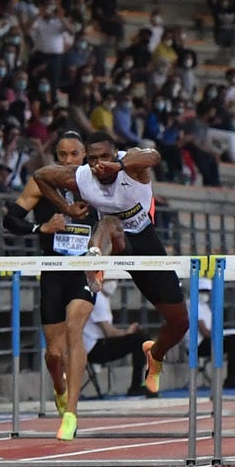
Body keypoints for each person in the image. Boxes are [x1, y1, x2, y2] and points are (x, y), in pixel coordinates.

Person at [33, 131, 190, 397]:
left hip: (144, 243)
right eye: (92, 159)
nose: (98, 164)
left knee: (179, 322)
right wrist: (67, 208)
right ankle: (95, 263)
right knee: (109, 222)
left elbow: (154, 155)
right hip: (110, 239)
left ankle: (156, 354)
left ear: (115, 154)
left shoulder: (132, 166)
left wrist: (117, 165)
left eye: (104, 157)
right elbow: (41, 176)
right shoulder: (82, 177)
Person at [1, 131, 92, 441]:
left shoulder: (94, 184)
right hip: (52, 272)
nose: (68, 160)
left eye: (74, 155)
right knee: (53, 354)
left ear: (84, 157)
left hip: (81, 272)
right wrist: (43, 227)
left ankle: (72, 412)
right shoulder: (41, 182)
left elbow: (111, 221)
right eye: (63, 155)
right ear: (56, 157)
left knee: (74, 330)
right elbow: (10, 220)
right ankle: (59, 386)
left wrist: (100, 253)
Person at [83, 280, 154, 397]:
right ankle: (136, 385)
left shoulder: (103, 298)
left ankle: (139, 383)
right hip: (93, 348)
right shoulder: (97, 298)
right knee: (140, 339)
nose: (114, 283)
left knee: (141, 338)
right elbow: (109, 332)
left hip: (98, 344)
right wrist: (127, 332)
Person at [194, 278, 235, 389]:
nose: (205, 294)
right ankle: (232, 379)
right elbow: (205, 331)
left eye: (207, 291)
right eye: (202, 291)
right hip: (198, 344)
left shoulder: (204, 306)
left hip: (207, 340)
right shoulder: (193, 305)